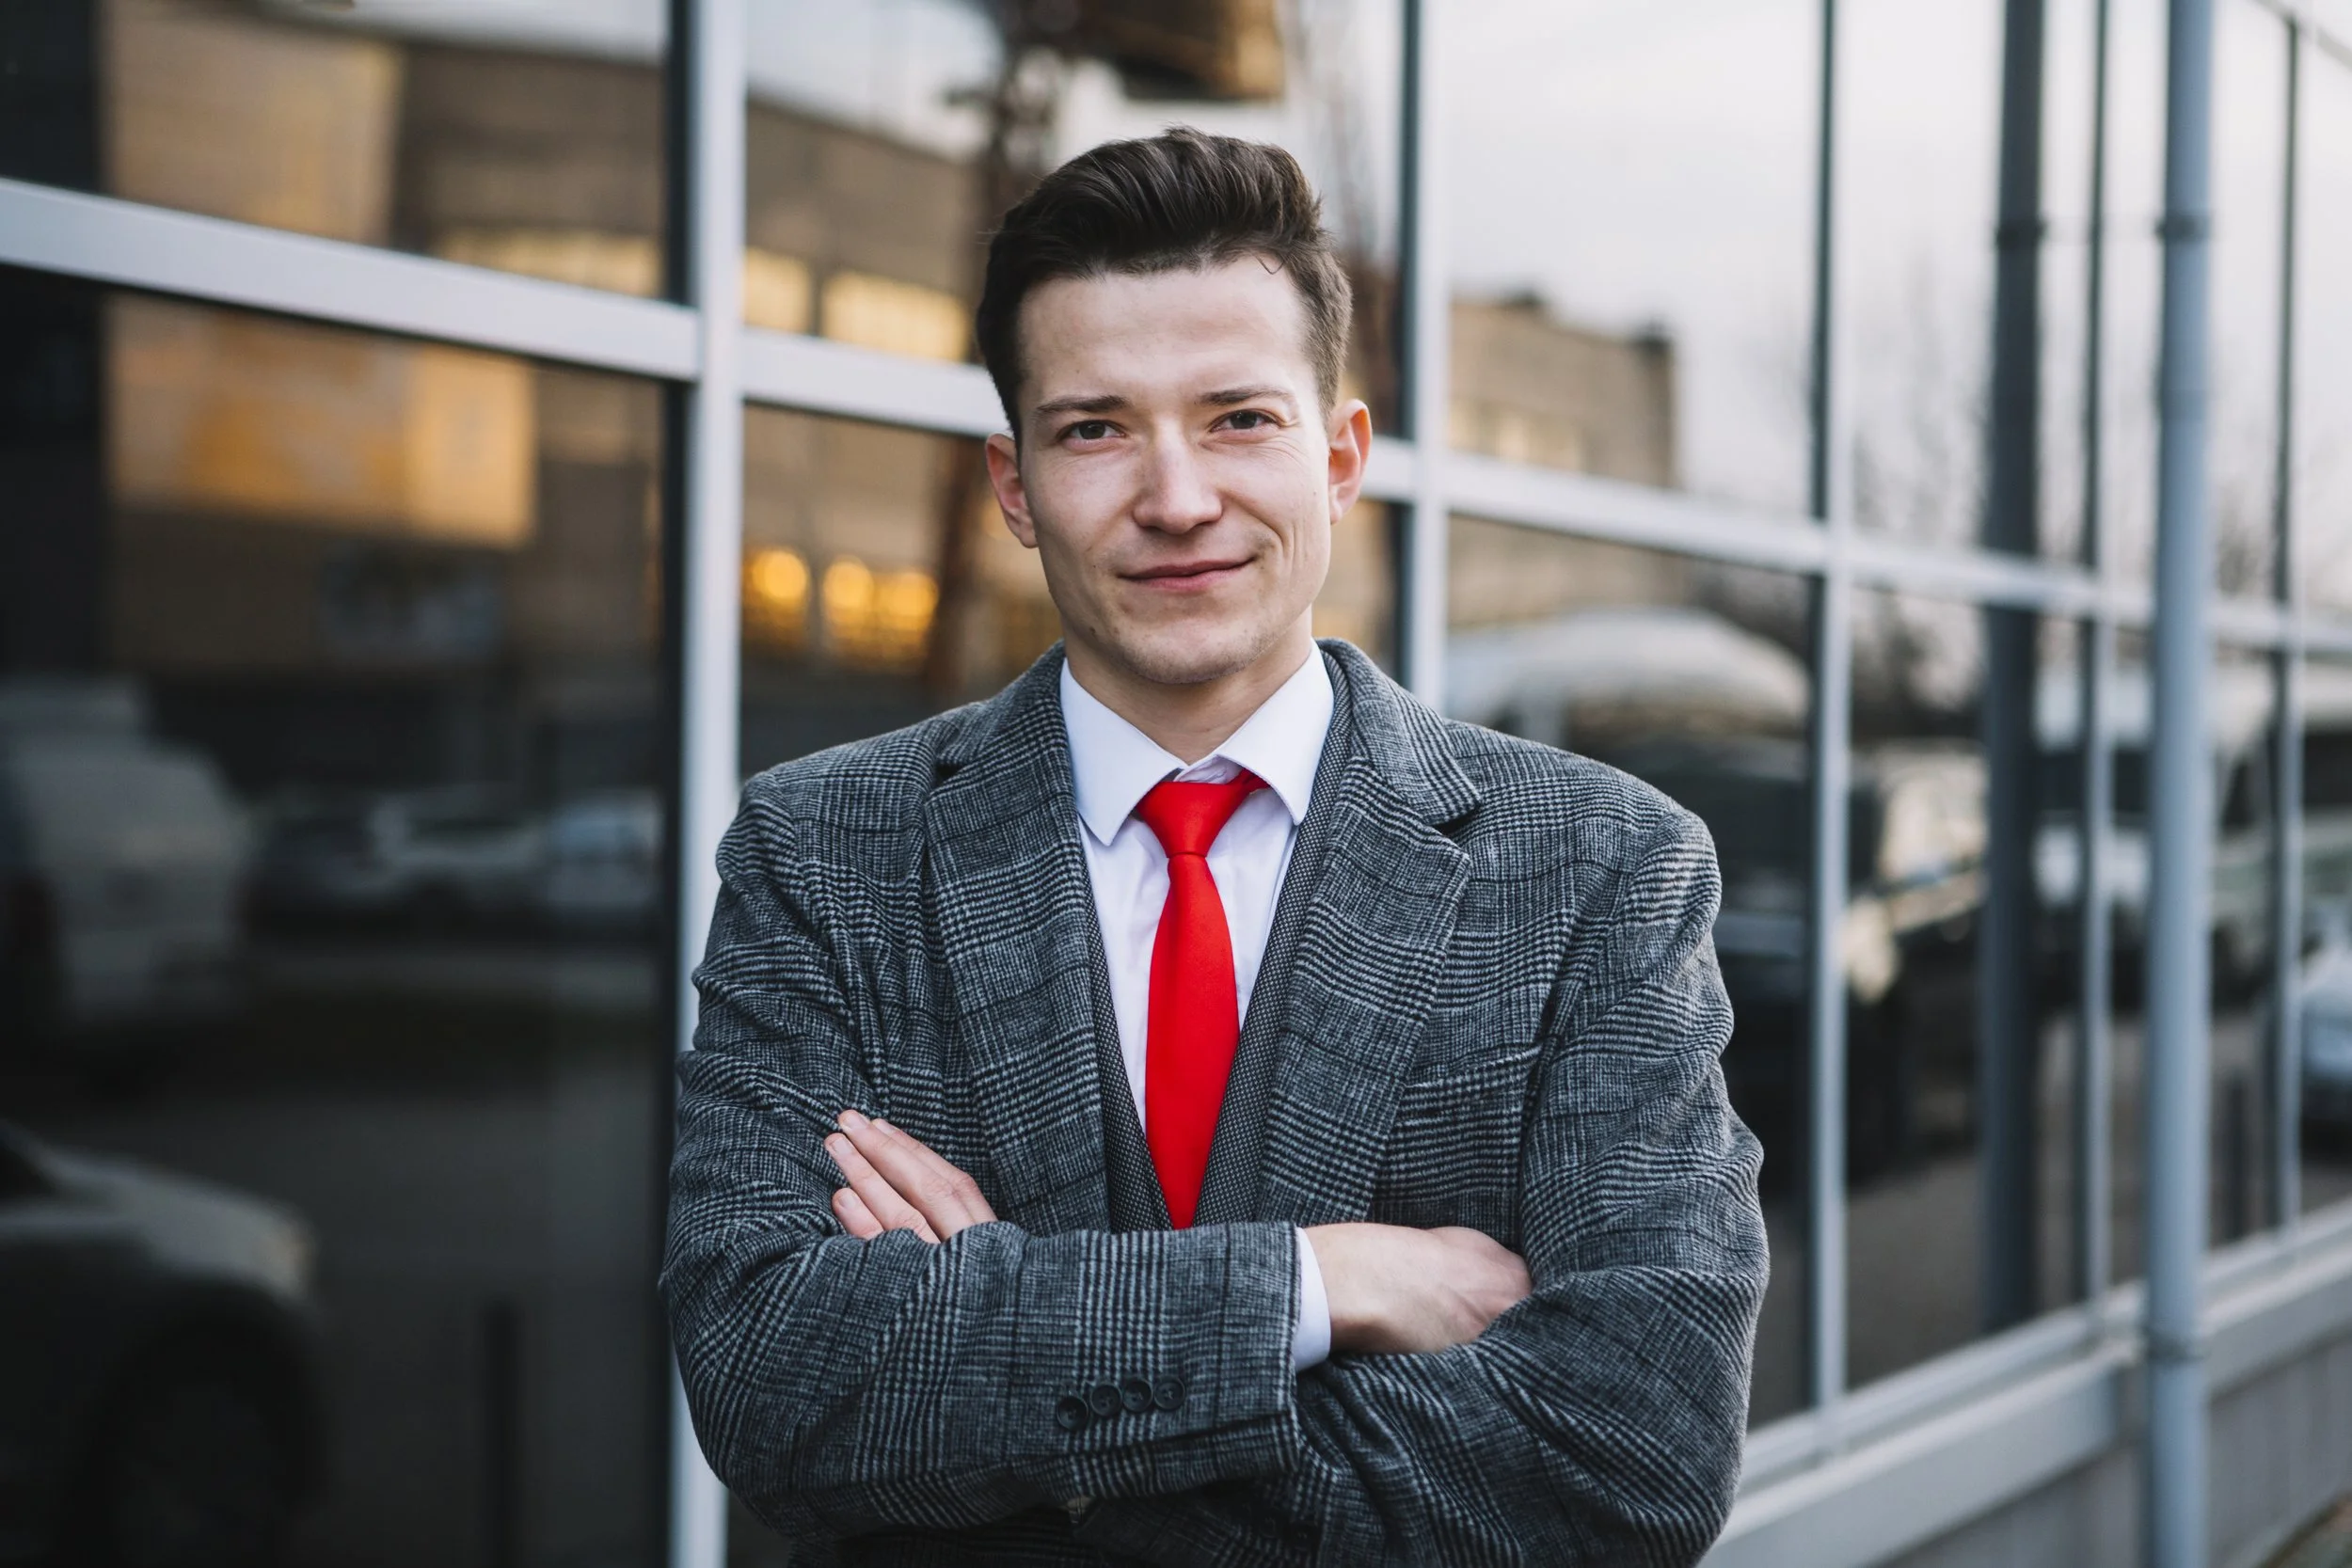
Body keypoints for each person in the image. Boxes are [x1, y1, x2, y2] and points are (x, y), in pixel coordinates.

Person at [662, 127, 1767, 1566]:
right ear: (1014, 484)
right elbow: (773, 1384)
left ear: (1342, 454)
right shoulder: (825, 853)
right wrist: (1317, 1287)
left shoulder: (1602, 869)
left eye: (1238, 417)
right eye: (1096, 427)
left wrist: (1019, 1401)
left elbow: (1640, 1450)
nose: (1176, 497)